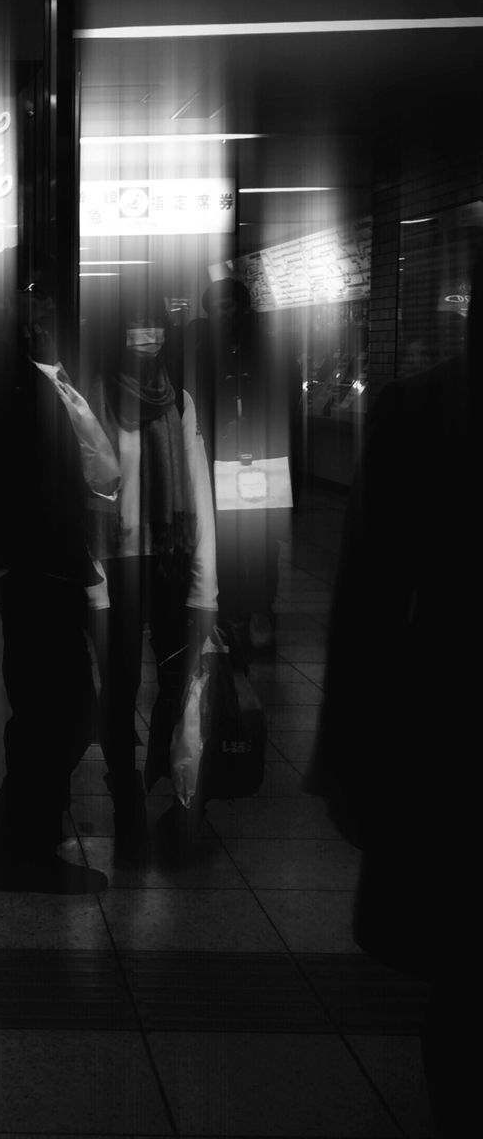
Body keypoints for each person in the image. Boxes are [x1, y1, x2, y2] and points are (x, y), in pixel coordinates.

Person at [304, 251, 480, 1139]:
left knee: (463, 987)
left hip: (452, 738)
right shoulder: (419, 412)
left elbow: (368, 608)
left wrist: (346, 756)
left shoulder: (419, 413)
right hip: (449, 738)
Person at [0, 251, 110, 892]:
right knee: (60, 709)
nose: (46, 303)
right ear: (3, 304)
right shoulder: (6, 372)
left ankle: (14, 840)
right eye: (32, 292)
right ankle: (17, 844)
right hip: (36, 570)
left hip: (42, 568)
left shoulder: (21, 368)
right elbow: (36, 478)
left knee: (50, 709)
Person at [85, 283, 218, 863]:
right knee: (118, 687)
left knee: (176, 683)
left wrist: (205, 585)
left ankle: (172, 794)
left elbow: (199, 493)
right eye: (136, 325)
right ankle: (124, 799)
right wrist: (93, 584)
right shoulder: (92, 399)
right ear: (117, 331)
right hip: (115, 563)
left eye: (157, 324)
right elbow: (84, 496)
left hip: (166, 559)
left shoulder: (178, 400)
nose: (148, 335)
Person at [185, 278, 301, 653]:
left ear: (243, 308)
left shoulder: (273, 350)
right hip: (218, 459)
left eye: (228, 307)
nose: (221, 315)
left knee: (263, 541)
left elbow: (288, 404)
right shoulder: (202, 352)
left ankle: (261, 610)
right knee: (227, 541)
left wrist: (259, 426)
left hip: (263, 462)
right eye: (215, 309)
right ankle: (233, 611)